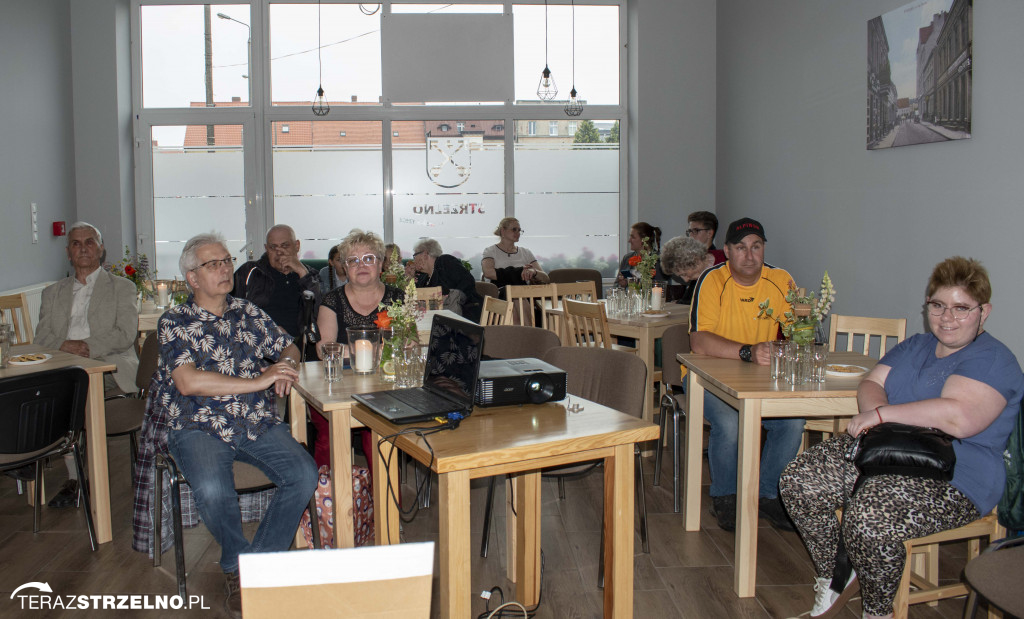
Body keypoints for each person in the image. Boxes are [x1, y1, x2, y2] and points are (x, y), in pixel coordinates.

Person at [780, 257, 1024, 619]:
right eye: (938, 306)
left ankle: (877, 613)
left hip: (958, 473)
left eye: (961, 308)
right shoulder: (917, 345)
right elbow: (871, 383)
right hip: (890, 450)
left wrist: (880, 416)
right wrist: (878, 422)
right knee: (799, 481)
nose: (947, 318)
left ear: (984, 311)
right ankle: (836, 575)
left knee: (869, 514)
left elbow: (958, 418)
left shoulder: (993, 359)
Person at [150, 232, 317, 618]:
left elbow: (288, 344)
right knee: (211, 487)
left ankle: (252, 568)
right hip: (198, 424)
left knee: (304, 473)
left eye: (227, 261)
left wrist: (286, 366)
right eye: (214, 264)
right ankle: (236, 563)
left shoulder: (248, 312)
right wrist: (258, 380)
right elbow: (188, 381)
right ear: (192, 277)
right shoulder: (175, 321)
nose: (225, 268)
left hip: (255, 421)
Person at [688, 217, 803, 532]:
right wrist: (747, 351)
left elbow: (797, 332)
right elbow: (697, 341)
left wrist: (793, 342)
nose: (750, 256)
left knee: (792, 421)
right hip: (704, 376)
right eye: (741, 248)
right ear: (727, 251)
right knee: (729, 422)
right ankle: (725, 496)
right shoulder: (712, 280)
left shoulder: (781, 280)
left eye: (757, 247)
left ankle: (768, 496)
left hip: (759, 379)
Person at [34, 221, 139, 508]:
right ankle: (30, 456)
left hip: (108, 366)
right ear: (68, 252)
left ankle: (76, 478)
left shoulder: (122, 288)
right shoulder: (52, 293)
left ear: (101, 249)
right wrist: (65, 347)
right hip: (63, 366)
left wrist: (87, 347)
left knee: (72, 393)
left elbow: (124, 334)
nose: (83, 248)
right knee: (37, 394)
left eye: (89, 242)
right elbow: (41, 336)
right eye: (76, 244)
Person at [314, 230, 405, 469]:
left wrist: (351, 349)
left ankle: (383, 506)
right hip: (338, 384)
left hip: (386, 383)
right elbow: (324, 348)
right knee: (328, 436)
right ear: (344, 267)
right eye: (353, 260)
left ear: (381, 264)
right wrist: (372, 351)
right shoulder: (332, 300)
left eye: (369, 258)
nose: (361, 265)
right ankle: (325, 502)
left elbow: (407, 342)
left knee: (377, 436)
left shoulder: (398, 298)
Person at [233, 224, 321, 357]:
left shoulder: (311, 275)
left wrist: (302, 272)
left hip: (303, 350)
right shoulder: (250, 272)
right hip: (259, 351)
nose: (279, 252)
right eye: (273, 247)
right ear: (266, 249)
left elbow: (319, 313)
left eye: (285, 245)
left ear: (297, 246)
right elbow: (230, 312)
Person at [411, 238, 483, 322]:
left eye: (415, 255)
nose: (414, 260)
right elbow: (418, 297)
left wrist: (449, 298)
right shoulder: (425, 277)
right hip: (440, 319)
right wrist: (410, 278)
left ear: (425, 254)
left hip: (464, 316)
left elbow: (467, 281)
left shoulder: (445, 261)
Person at [481, 217, 548, 288]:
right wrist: (520, 271)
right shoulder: (490, 251)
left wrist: (534, 272)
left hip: (524, 293)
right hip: (500, 295)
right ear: (503, 231)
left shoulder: (526, 252)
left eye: (519, 230)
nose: (518, 233)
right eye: (514, 229)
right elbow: (488, 273)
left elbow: (546, 278)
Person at [660, 235, 720, 304]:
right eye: (680, 276)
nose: (686, 280)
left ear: (695, 260)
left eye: (684, 274)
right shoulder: (696, 279)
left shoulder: (726, 264)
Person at [615, 221, 666, 287]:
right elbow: (615, 285)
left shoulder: (659, 260)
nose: (629, 240)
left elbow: (660, 286)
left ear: (644, 239)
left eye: (633, 237)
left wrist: (636, 282)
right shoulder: (627, 258)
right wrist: (622, 285)